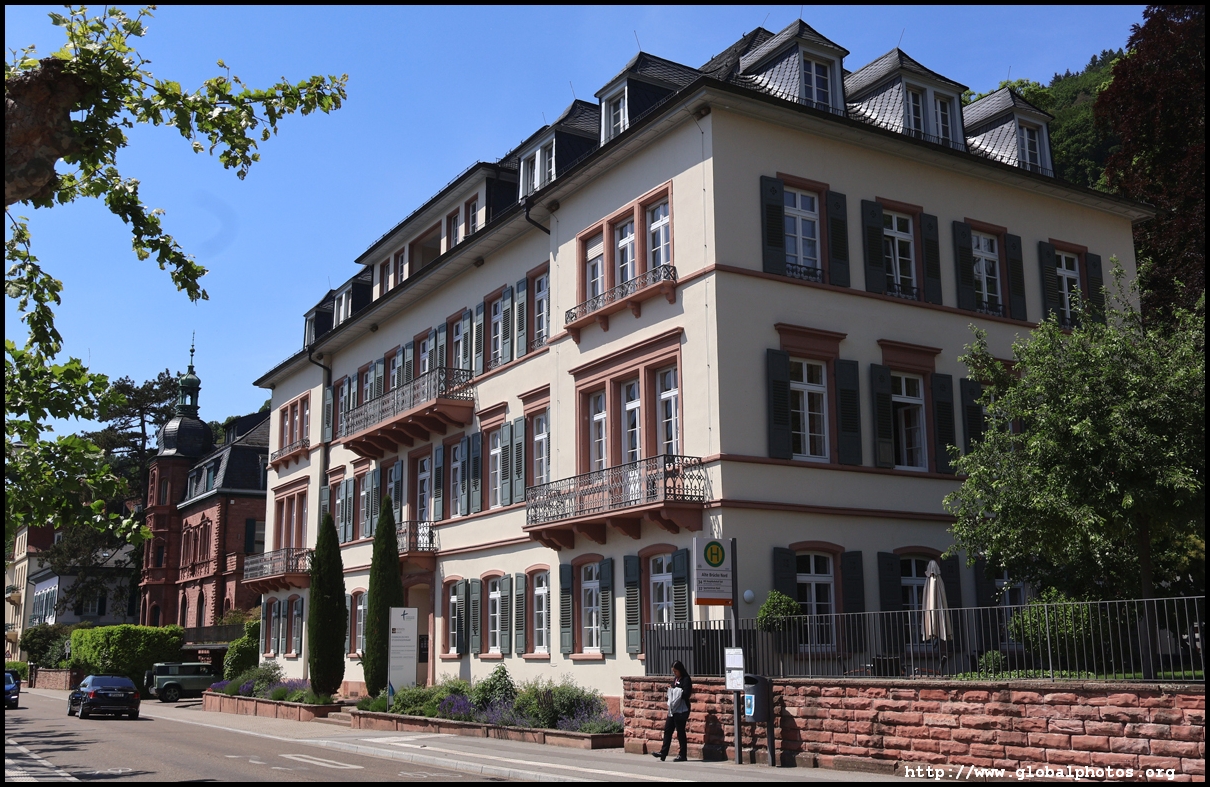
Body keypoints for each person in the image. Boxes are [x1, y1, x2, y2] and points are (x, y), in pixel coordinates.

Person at [652, 660, 693, 762]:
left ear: (680, 670)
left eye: (675, 671)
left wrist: (676, 690)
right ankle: (663, 752)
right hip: (673, 708)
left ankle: (682, 755)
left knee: (680, 732)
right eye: (673, 671)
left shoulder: (686, 679)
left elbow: (686, 694)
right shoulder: (676, 679)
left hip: (682, 709)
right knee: (668, 730)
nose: (674, 673)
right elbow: (673, 688)